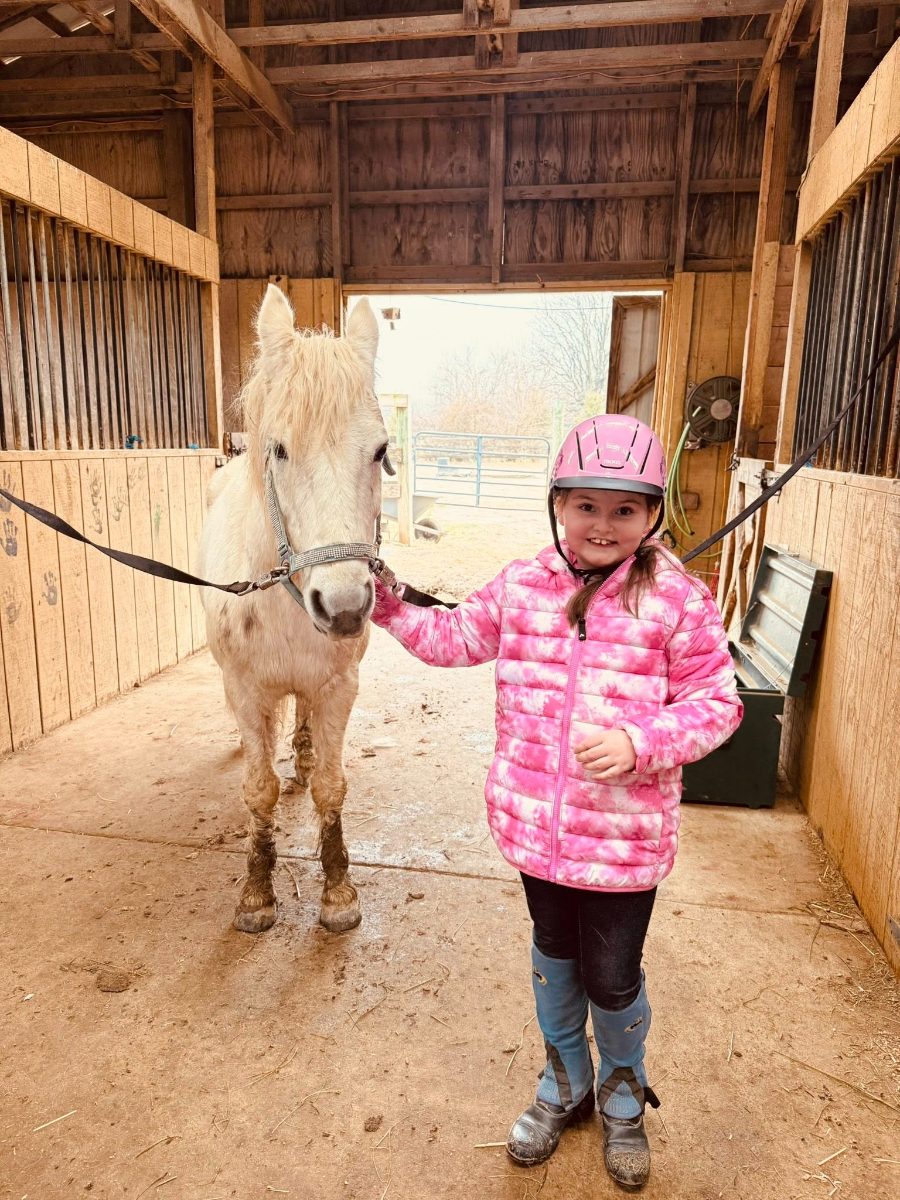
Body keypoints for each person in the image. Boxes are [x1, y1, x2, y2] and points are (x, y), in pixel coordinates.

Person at [370, 414, 743, 1192]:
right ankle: (565, 1081)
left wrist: (643, 743)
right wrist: (388, 604)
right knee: (553, 957)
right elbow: (455, 638)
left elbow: (719, 703)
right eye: (585, 506)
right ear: (558, 505)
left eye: (624, 510)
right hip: (537, 833)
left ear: (653, 515)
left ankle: (622, 1096)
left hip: (622, 843)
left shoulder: (676, 599)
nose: (603, 525)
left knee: (612, 973)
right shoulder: (522, 585)